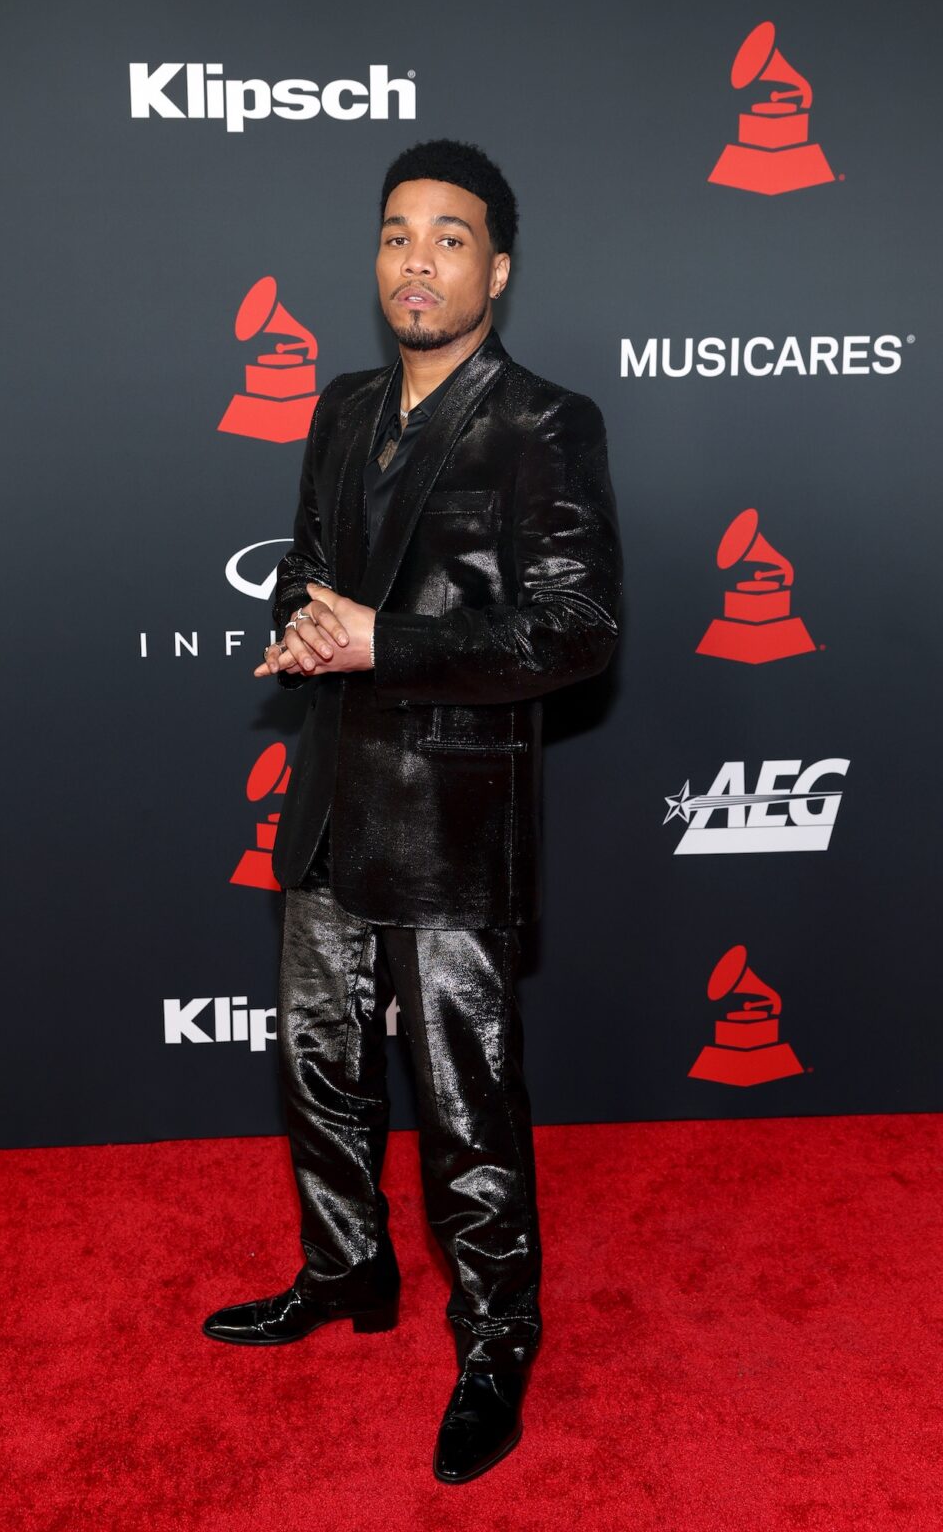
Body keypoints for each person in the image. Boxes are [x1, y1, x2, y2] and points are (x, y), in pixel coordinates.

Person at [202, 137, 622, 1485]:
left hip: (451, 815)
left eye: (449, 238)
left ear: (495, 266)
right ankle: (347, 1274)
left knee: (464, 1106)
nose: (417, 261)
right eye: (397, 235)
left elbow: (575, 627)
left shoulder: (546, 423)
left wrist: (383, 643)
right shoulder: (336, 408)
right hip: (330, 795)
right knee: (319, 1068)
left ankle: (496, 1342)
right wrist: (305, 629)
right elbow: (310, 574)